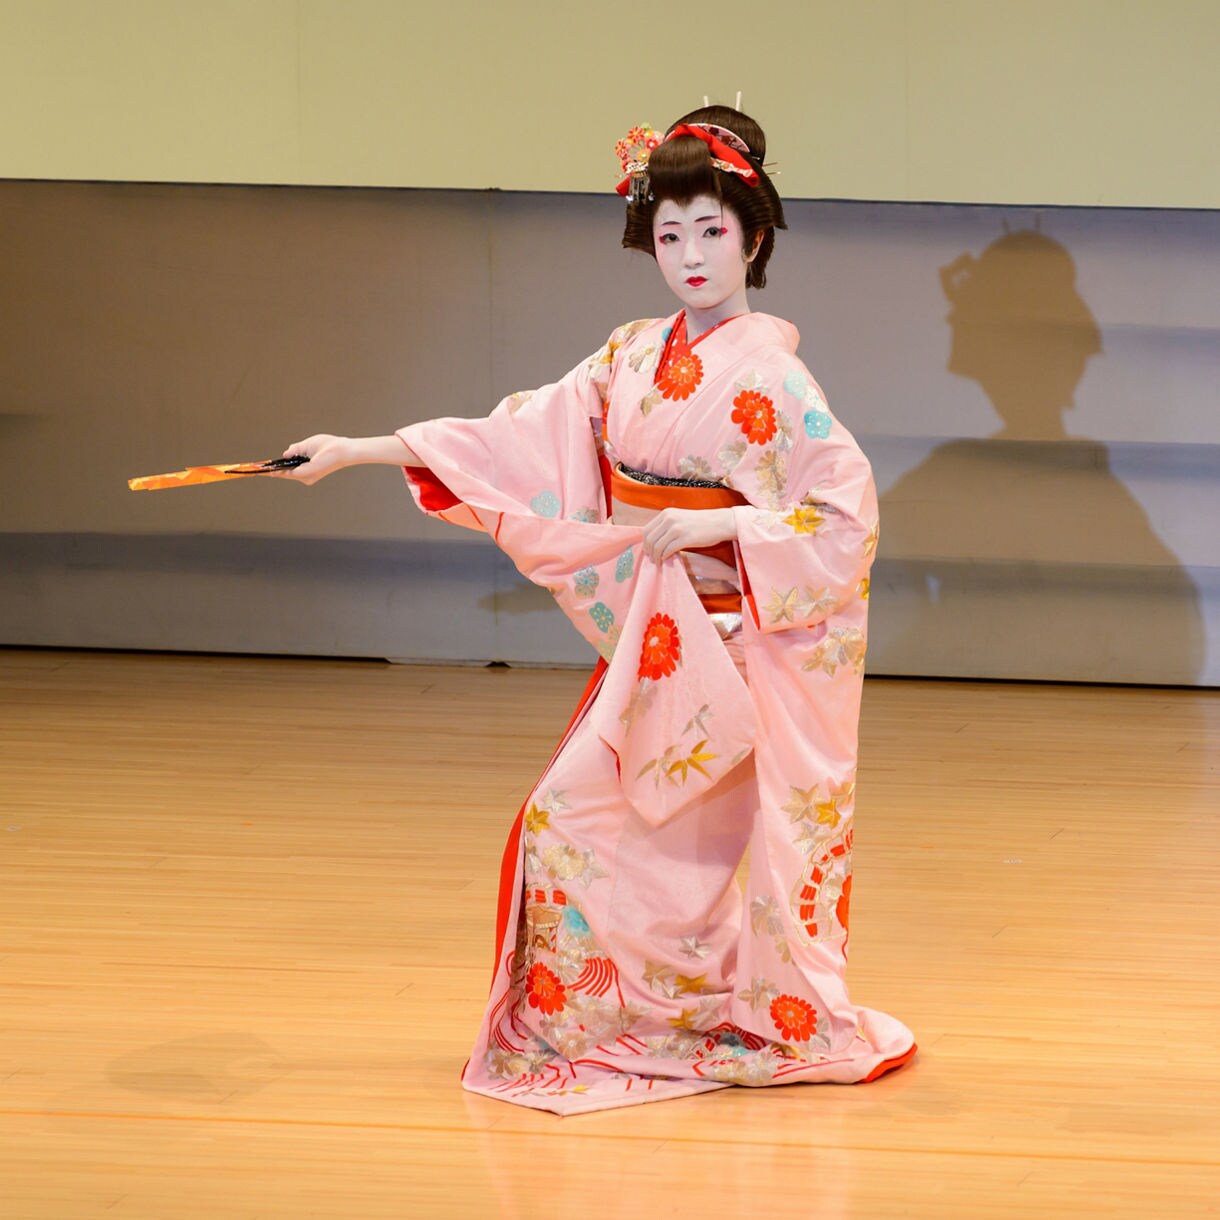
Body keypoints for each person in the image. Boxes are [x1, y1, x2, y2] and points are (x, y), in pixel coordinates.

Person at [280, 106, 916, 1114]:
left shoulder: (773, 379)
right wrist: (358, 450)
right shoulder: (627, 358)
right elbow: (512, 440)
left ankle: (734, 1007)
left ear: (753, 235)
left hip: (743, 659)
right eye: (669, 235)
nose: (691, 255)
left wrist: (717, 531)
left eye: (712, 230)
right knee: (567, 817)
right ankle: (612, 1015)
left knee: (676, 841)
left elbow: (841, 514)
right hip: (666, 653)